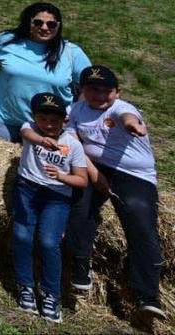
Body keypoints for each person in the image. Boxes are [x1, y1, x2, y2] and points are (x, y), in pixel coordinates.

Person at [66, 66, 165, 317]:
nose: (100, 95)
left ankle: (147, 294)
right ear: (82, 90)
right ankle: (80, 266)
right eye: (93, 89)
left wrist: (134, 125)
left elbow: (128, 117)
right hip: (94, 166)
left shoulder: (122, 108)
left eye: (106, 91)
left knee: (140, 219)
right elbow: (73, 144)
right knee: (80, 204)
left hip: (133, 173)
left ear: (117, 92)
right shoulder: (75, 111)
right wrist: (95, 174)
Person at [10, 92, 88, 323]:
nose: (48, 125)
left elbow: (82, 180)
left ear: (65, 120)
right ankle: (25, 286)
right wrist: (42, 140)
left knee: (48, 242)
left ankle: (51, 294)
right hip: (27, 188)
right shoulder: (30, 129)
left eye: (54, 120)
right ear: (34, 117)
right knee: (22, 235)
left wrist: (62, 177)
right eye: (42, 119)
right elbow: (26, 133)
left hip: (57, 196)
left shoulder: (72, 145)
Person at [0, 2, 91, 142]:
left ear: (58, 26)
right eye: (38, 22)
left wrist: (76, 113)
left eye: (51, 24)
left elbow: (88, 85)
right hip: (5, 121)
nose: (44, 28)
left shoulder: (71, 52)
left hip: (49, 126)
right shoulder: (6, 41)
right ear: (28, 23)